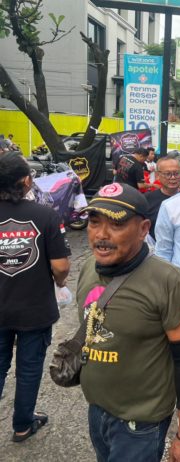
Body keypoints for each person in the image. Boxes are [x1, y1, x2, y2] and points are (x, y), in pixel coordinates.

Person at [77, 183, 180, 462]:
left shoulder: (170, 282)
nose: (101, 235)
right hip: (97, 409)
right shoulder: (87, 269)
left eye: (116, 224)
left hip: (140, 423)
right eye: (94, 222)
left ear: (144, 229)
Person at [0, 152, 71, 442]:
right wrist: (60, 283)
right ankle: (22, 425)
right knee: (29, 369)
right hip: (35, 308)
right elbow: (61, 266)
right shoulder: (46, 215)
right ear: (26, 181)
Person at [145, 156, 180, 240]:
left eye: (176, 173)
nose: (173, 177)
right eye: (168, 174)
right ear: (158, 175)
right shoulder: (147, 199)